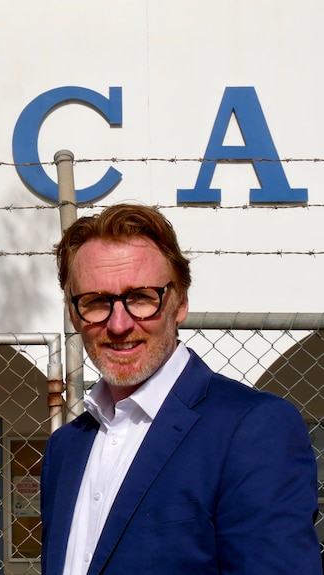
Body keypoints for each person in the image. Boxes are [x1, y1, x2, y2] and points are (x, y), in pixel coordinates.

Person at [40, 203, 321, 574]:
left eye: (141, 297)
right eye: (96, 302)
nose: (119, 323)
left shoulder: (252, 430)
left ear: (180, 302)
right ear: (74, 314)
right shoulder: (66, 447)